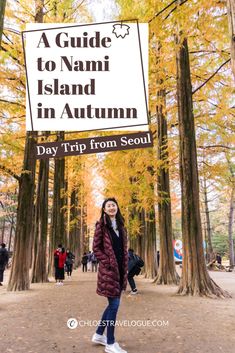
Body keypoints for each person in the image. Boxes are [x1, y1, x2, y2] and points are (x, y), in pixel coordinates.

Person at [91, 197, 128, 353]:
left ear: (117, 208)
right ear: (104, 210)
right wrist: (107, 262)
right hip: (109, 271)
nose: (112, 207)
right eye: (108, 206)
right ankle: (110, 343)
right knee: (114, 305)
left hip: (120, 270)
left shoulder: (121, 226)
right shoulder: (101, 226)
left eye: (114, 205)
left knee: (113, 305)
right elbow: (96, 248)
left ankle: (99, 334)